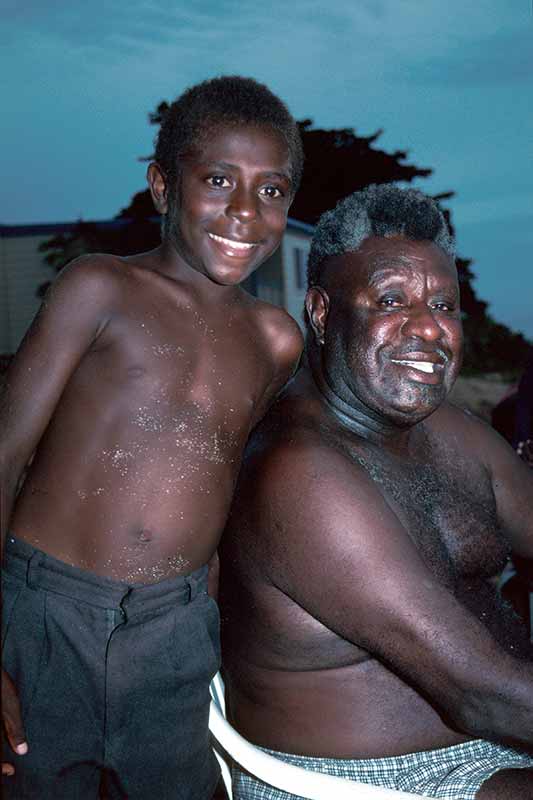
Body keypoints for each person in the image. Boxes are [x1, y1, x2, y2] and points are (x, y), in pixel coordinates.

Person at [1, 75, 304, 799]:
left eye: (271, 190)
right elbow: (5, 454)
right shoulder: (99, 288)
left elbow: (222, 481)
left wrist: (210, 623)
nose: (244, 211)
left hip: (174, 631)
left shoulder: (275, 340)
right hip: (47, 615)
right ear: (162, 187)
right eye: (219, 180)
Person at [218, 185, 533, 800]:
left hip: (494, 742)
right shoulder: (299, 475)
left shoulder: (454, 435)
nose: (429, 329)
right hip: (365, 781)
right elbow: (483, 695)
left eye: (445, 305)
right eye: (391, 300)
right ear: (321, 312)